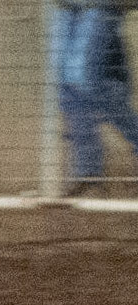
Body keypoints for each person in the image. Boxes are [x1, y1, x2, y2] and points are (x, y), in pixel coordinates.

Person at [56, 0, 138, 196]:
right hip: (67, 5)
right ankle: (88, 173)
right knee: (68, 85)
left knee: (89, 80)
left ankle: (90, 171)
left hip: (102, 4)